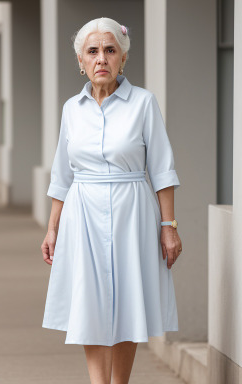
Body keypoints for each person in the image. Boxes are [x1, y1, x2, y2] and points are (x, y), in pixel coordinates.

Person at [41, 17, 183, 384]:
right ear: (81, 62)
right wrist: (52, 228)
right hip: (82, 213)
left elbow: (162, 169)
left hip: (132, 211)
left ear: (123, 59)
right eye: (93, 51)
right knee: (90, 302)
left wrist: (169, 227)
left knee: (127, 304)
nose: (101, 58)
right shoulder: (72, 109)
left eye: (109, 50)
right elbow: (62, 174)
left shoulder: (144, 103)